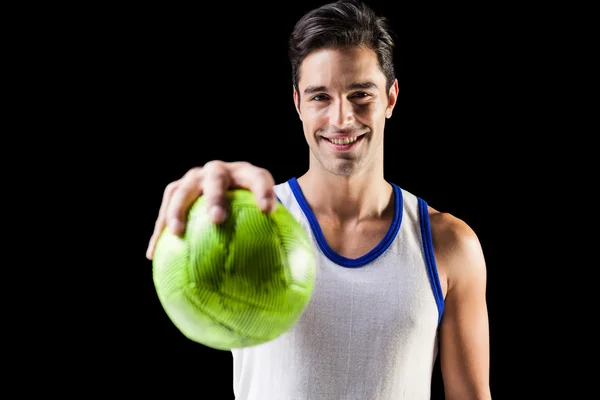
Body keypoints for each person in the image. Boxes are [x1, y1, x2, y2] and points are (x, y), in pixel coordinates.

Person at [146, 0, 491, 398]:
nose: (342, 118)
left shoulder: (448, 244)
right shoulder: (249, 223)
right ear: (297, 103)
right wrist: (201, 212)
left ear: (391, 98)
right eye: (320, 97)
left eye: (361, 94)